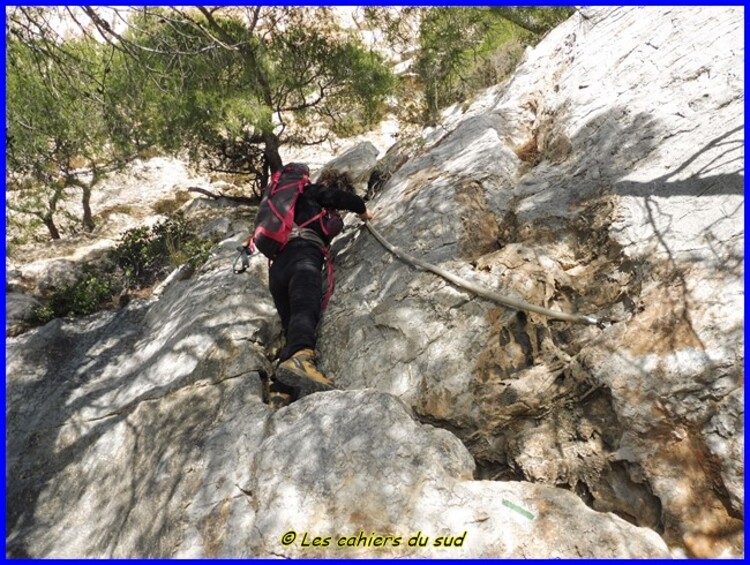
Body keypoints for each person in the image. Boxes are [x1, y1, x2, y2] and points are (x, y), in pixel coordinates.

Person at [266, 165, 373, 403]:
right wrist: (364, 213)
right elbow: (347, 199)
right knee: (305, 312)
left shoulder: (280, 204)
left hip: (277, 270)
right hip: (303, 257)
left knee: (292, 325)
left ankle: (280, 390)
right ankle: (303, 360)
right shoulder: (311, 192)